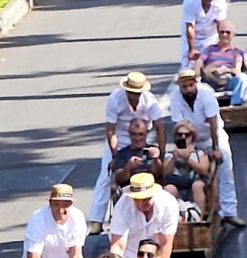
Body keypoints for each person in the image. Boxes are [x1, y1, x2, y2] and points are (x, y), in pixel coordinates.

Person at [89, 71, 166, 234]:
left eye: (137, 93)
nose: (134, 96)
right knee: (106, 175)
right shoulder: (115, 99)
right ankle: (96, 220)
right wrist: (116, 156)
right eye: (131, 93)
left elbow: (160, 126)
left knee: (151, 172)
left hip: (141, 135)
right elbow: (110, 130)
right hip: (121, 136)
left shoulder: (149, 100)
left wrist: (161, 151)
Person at [169, 69, 246, 229]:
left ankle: (230, 212)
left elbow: (213, 122)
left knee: (225, 168)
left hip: (212, 136)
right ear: (180, 86)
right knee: (192, 173)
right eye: (185, 86)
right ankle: (202, 211)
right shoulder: (175, 97)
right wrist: (184, 147)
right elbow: (178, 125)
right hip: (190, 136)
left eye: (191, 85)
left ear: (195, 83)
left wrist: (215, 148)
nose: (188, 89)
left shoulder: (206, 93)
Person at [109, 172, 179, 258]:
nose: (142, 203)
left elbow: (166, 244)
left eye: (146, 199)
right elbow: (117, 246)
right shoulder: (122, 206)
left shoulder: (169, 205)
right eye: (137, 199)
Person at [162, 120, 210, 218]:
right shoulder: (170, 153)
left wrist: (188, 159)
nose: (183, 138)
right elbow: (165, 173)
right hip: (176, 184)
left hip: (193, 183)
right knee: (168, 189)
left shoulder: (199, 153)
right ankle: (171, 219)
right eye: (179, 135)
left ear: (192, 136)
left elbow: (204, 170)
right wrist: (174, 158)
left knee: (198, 186)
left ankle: (198, 219)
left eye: (186, 135)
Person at [194, 20, 247, 105]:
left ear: (233, 35)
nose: (224, 35)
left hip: (228, 79)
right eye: (222, 32)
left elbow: (237, 70)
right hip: (211, 79)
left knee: (243, 77)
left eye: (228, 32)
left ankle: (235, 105)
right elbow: (199, 61)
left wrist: (225, 70)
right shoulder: (210, 49)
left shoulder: (237, 52)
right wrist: (196, 75)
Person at [180, 0, 227, 68]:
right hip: (192, 38)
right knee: (189, 68)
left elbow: (220, 25)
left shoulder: (220, 0)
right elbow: (190, 26)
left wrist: (222, 44)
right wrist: (192, 49)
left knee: (211, 66)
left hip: (210, 37)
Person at [112, 118, 162, 188]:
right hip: (131, 190)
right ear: (129, 134)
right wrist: (128, 167)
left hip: (152, 188)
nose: (137, 138)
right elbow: (120, 179)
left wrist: (156, 160)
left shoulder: (154, 151)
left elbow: (160, 175)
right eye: (134, 134)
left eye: (141, 134)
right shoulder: (122, 154)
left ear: (146, 133)